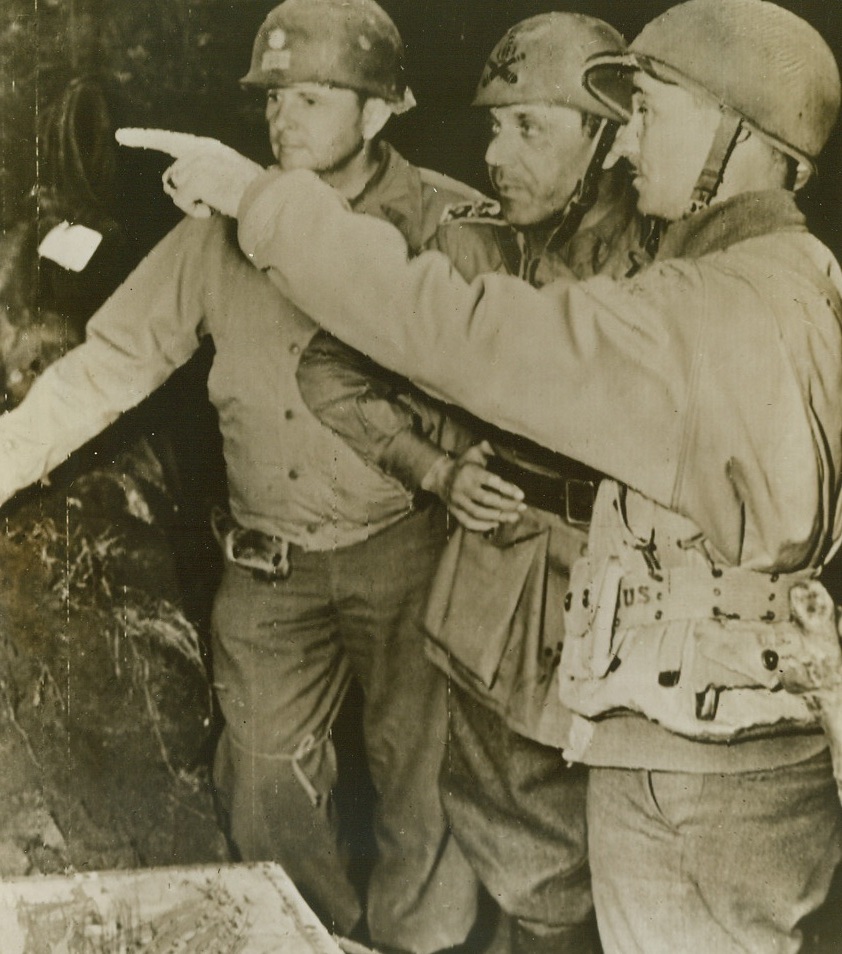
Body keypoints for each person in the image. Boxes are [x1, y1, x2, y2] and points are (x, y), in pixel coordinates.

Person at [161, 0, 842, 950]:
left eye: (648, 112)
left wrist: (263, 200)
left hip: (700, 758)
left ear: (741, 134)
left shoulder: (701, 309)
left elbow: (452, 328)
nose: (627, 139)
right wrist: (438, 469)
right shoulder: (791, 274)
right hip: (686, 720)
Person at [0, 1, 482, 950]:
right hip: (270, 567)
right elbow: (109, 366)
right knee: (263, 795)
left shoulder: (445, 219)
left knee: (430, 800)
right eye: (272, 100)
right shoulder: (217, 232)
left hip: (408, 554)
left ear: (379, 111)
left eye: (311, 97)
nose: (282, 119)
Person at [292, 14, 653, 952]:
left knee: (640, 858)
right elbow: (330, 370)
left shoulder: (671, 269)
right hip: (504, 590)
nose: (495, 154)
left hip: (643, 603)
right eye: (492, 127)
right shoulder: (474, 248)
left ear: (609, 137)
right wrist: (436, 469)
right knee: (513, 841)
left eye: (528, 128)